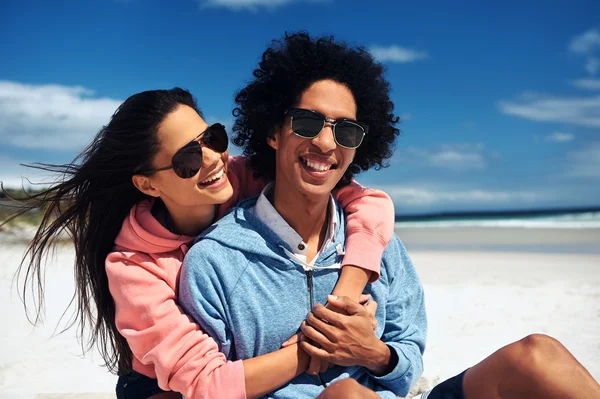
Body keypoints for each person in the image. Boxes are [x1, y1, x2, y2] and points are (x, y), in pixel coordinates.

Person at [179, 32, 600, 399]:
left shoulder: (376, 242)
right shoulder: (217, 260)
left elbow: (408, 355)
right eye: (308, 123)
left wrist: (374, 354)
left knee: (538, 355)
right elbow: (209, 386)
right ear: (273, 131)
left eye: (346, 130)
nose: (327, 143)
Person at [5, 87, 398, 399]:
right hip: (168, 384)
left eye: (212, 138)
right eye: (187, 159)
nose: (212, 159)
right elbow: (207, 386)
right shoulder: (133, 267)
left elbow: (369, 203)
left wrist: (343, 302)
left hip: (241, 365)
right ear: (148, 184)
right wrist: (318, 345)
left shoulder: (241, 178)